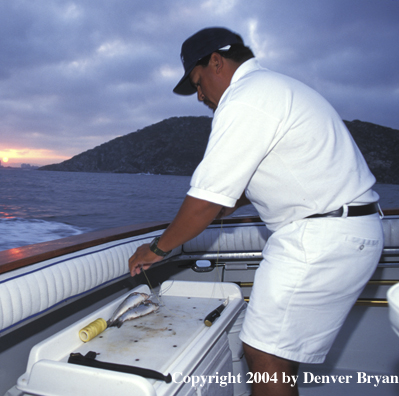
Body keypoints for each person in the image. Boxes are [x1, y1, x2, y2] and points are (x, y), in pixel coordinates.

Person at [128, 27, 384, 396]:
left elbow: (202, 204)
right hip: (343, 228)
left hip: (319, 238)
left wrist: (156, 250)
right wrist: (225, 201)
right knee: (277, 352)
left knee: (263, 353)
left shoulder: (245, 99)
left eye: (198, 83)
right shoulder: (273, 89)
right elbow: (280, 176)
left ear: (216, 61)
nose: (199, 96)